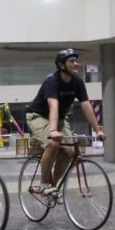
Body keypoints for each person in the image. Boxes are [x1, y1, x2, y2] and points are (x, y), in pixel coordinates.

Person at [25, 48, 106, 196]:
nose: (76, 64)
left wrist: (98, 130)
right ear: (62, 65)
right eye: (72, 61)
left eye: (77, 61)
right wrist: (53, 130)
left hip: (59, 118)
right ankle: (44, 184)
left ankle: (53, 186)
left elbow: (86, 106)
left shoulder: (77, 82)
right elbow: (53, 106)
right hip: (38, 115)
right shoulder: (52, 81)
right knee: (53, 143)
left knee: (69, 151)